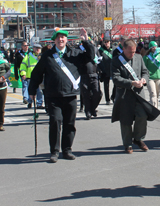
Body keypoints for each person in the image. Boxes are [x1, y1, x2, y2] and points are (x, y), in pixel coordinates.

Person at [28, 29, 94, 163]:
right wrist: (32, 90)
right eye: (58, 38)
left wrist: (86, 41)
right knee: (55, 122)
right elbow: (36, 74)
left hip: (70, 95)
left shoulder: (75, 54)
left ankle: (67, 149)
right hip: (53, 96)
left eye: (63, 37)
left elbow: (91, 56)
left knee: (69, 124)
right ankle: (54, 151)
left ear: (67, 39)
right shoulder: (47, 56)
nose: (61, 40)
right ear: (54, 40)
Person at [111, 39, 154, 154]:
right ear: (123, 49)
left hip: (139, 94)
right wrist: (131, 83)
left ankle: (138, 139)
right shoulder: (116, 61)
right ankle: (127, 144)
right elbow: (116, 78)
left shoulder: (139, 58)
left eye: (134, 51)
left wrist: (144, 79)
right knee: (126, 120)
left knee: (142, 116)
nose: (132, 54)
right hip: (125, 95)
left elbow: (145, 71)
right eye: (130, 52)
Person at [79, 38, 102, 120]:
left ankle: (92, 108)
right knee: (86, 95)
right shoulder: (80, 50)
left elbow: (99, 60)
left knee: (98, 93)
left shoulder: (95, 50)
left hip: (94, 74)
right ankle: (88, 111)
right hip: (84, 75)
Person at [143, 41, 160, 108]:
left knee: (157, 94)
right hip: (150, 78)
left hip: (159, 77)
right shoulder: (146, 57)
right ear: (150, 48)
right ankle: (153, 108)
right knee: (153, 93)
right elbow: (143, 68)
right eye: (153, 47)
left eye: (155, 46)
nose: (154, 48)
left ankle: (156, 107)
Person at [19, 44, 44, 109]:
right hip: (30, 77)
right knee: (31, 90)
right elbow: (23, 66)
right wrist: (23, 74)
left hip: (39, 76)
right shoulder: (28, 56)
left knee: (39, 91)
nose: (38, 49)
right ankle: (30, 102)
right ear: (33, 48)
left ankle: (39, 104)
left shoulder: (42, 56)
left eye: (39, 48)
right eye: (36, 48)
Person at [98, 34, 115, 105]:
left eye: (107, 41)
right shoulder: (100, 50)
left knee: (116, 85)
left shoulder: (114, 49)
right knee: (106, 85)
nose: (106, 43)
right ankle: (107, 99)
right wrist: (100, 70)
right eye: (105, 42)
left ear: (110, 42)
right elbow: (98, 61)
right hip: (105, 70)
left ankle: (113, 97)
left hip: (113, 70)